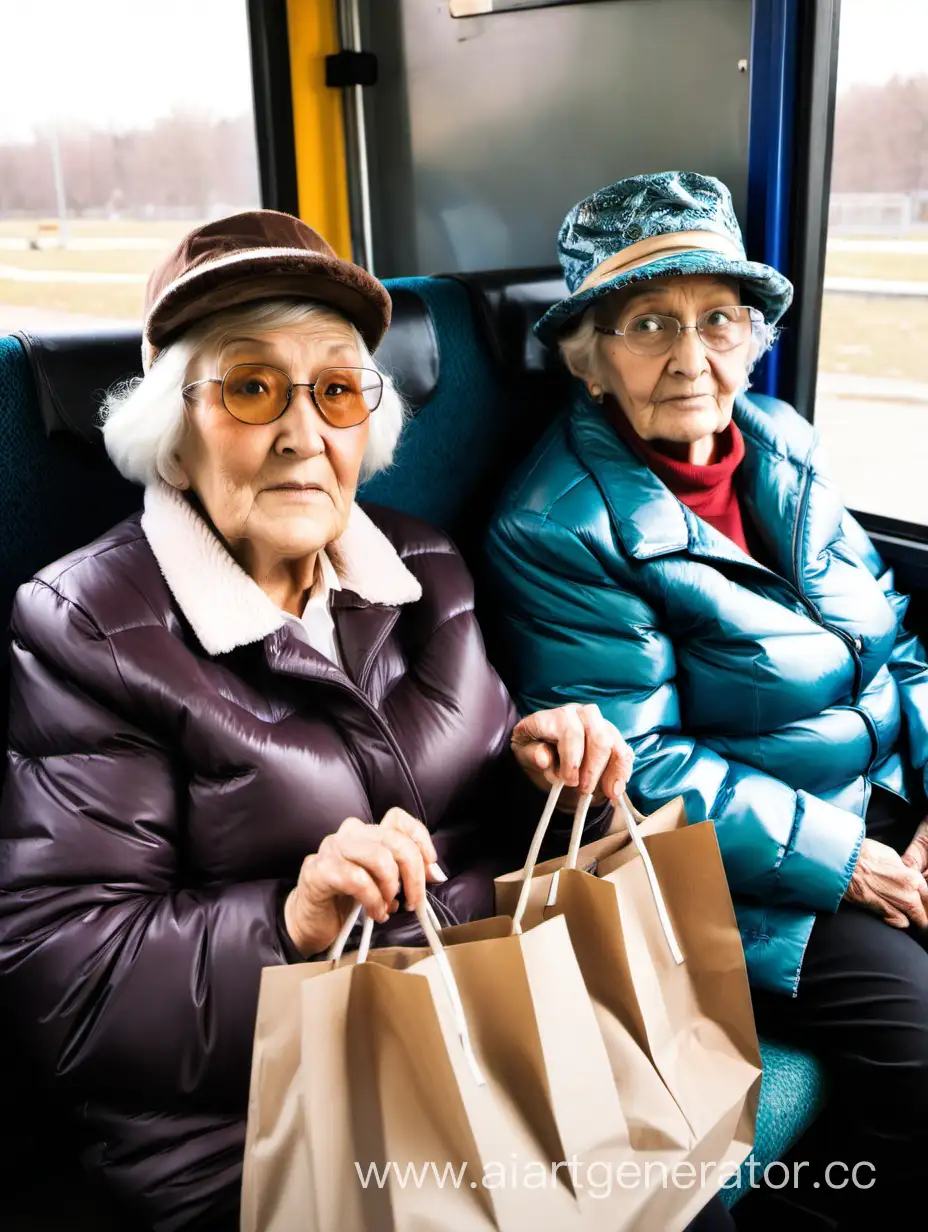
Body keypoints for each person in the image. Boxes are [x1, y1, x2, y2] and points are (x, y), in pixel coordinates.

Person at [0, 210, 643, 1231]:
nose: (303, 432)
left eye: (337, 389)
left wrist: (552, 780)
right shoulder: (90, 626)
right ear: (175, 420)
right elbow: (70, 980)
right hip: (256, 1133)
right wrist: (292, 925)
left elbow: (479, 812)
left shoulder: (424, 567)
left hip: (478, 1044)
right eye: (252, 387)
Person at [486, 171, 928, 1227]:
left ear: (750, 336)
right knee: (917, 1048)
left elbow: (896, 637)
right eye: (648, 324)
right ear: (591, 356)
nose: (691, 357)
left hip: (869, 798)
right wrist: (848, 858)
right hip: (722, 877)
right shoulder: (556, 523)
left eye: (716, 320)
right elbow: (643, 767)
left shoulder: (782, 441)